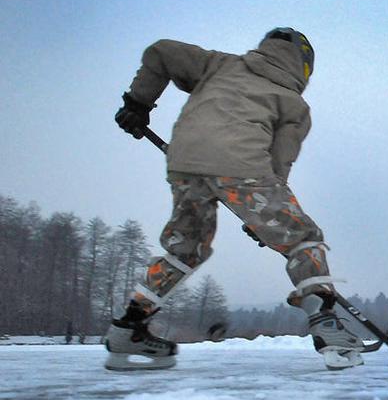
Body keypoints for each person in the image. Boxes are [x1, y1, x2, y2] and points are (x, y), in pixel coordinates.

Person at [106, 28, 363, 371]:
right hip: (242, 167)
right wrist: (266, 221)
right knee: (302, 239)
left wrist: (138, 103)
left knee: (185, 249)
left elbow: (161, 51)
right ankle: (328, 325)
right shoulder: (294, 103)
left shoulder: (219, 65)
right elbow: (277, 168)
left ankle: (129, 329)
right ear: (304, 68)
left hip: (184, 163)